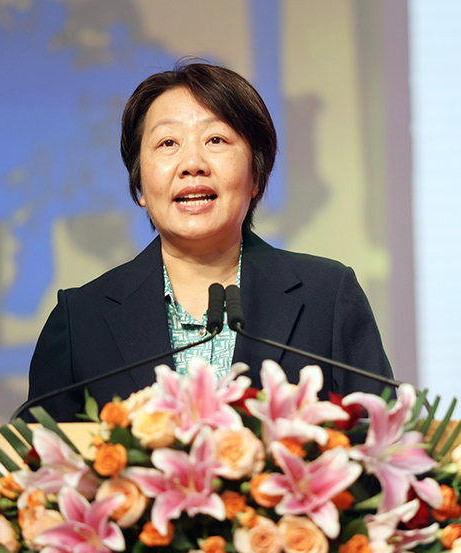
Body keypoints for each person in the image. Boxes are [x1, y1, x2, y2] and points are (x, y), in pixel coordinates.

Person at [25, 62, 392, 422]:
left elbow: (384, 431)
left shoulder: (326, 298)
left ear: (255, 177)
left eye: (216, 140)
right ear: (140, 185)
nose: (192, 164)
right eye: (168, 142)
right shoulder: (80, 320)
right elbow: (35, 454)